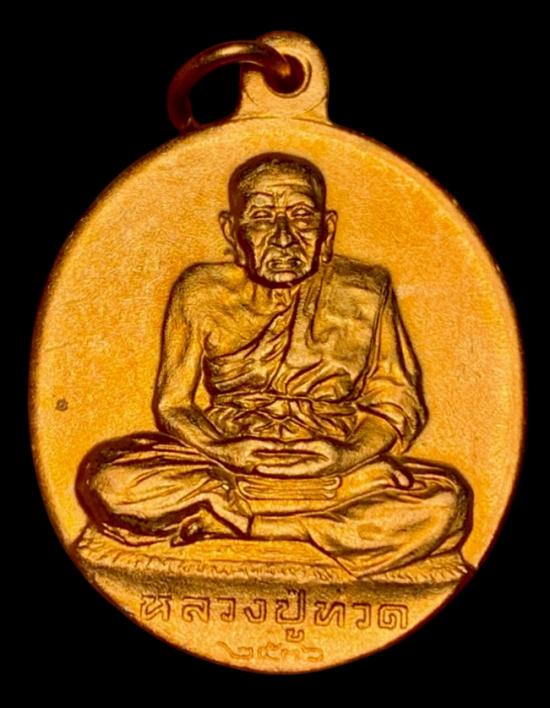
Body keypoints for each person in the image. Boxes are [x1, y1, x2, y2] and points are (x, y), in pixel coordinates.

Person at [76, 152, 472, 579]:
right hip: (227, 463)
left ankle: (255, 525)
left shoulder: (366, 290)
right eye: (262, 217)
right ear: (232, 231)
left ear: (327, 229)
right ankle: (286, 518)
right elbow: (174, 404)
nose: (284, 238)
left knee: (447, 501)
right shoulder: (200, 291)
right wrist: (223, 450)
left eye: (302, 217)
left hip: (332, 464)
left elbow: (394, 402)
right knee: (107, 479)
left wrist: (345, 456)